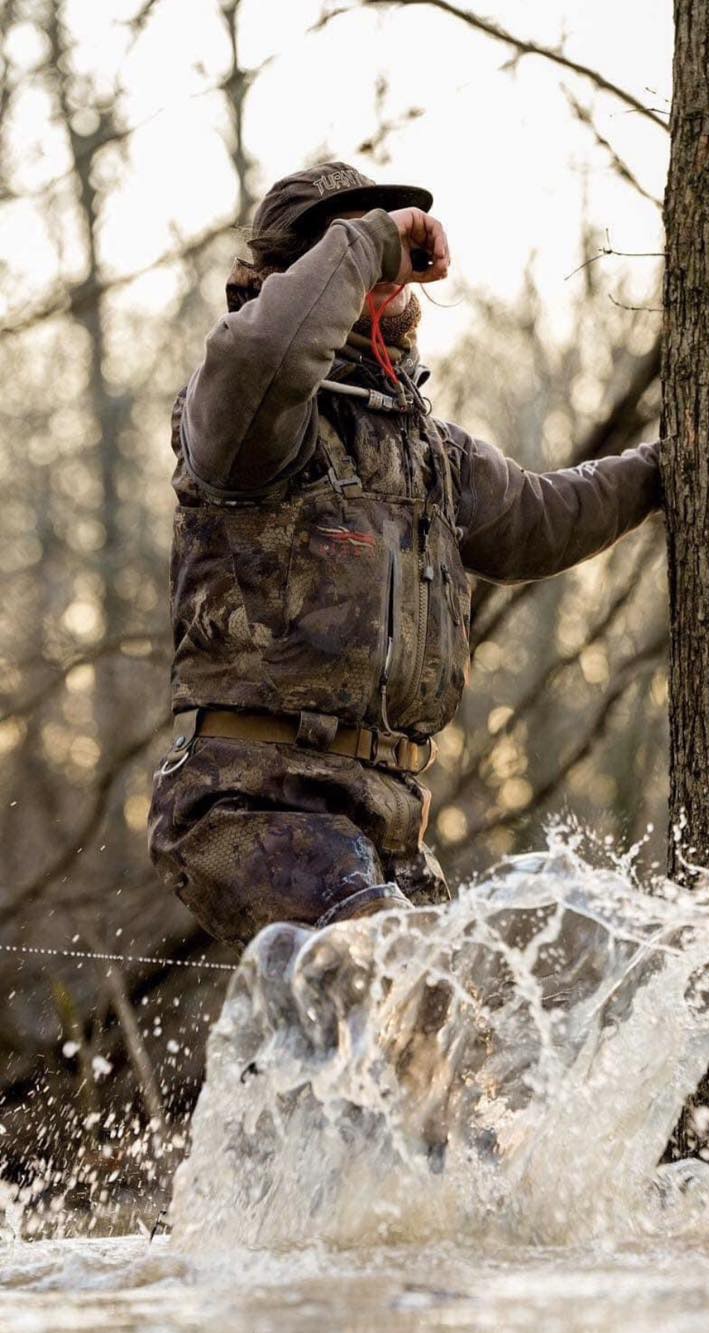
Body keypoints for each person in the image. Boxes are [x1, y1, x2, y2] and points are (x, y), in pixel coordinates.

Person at [147, 161, 664, 953]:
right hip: (253, 805)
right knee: (407, 988)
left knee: (471, 1044)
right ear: (288, 271)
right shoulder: (243, 415)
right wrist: (368, 242)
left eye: (382, 246)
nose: (381, 266)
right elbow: (271, 359)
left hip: (384, 815)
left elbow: (539, 520)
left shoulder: (426, 449)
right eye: (346, 245)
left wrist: (665, 470)